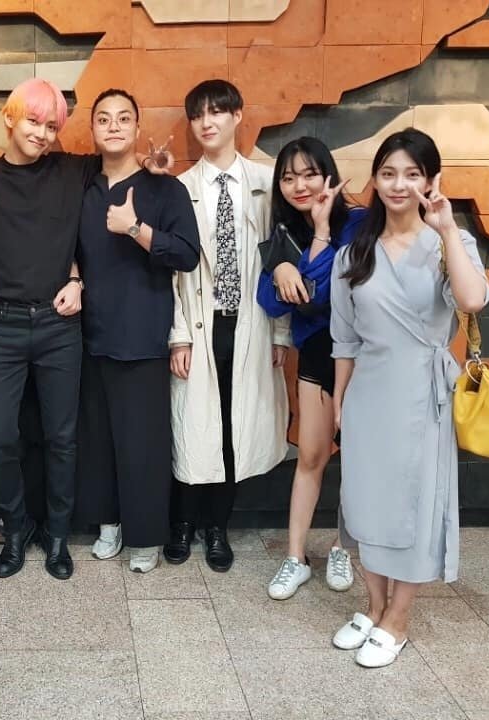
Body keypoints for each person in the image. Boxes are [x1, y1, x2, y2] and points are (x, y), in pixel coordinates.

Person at [0, 79, 171, 581]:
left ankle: (58, 535)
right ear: (10, 118)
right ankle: (16, 527)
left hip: (59, 324)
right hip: (0, 324)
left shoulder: (74, 170)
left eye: (51, 125)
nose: (42, 134)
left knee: (63, 437)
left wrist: (154, 169)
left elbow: (120, 165)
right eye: (33, 121)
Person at [329, 128, 489, 668]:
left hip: (422, 394)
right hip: (367, 394)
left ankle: (398, 618)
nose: (399, 185)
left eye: (412, 174)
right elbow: (344, 340)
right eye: (389, 173)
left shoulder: (450, 244)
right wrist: (339, 402)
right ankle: (374, 606)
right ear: (375, 180)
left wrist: (446, 229)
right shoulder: (353, 253)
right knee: (366, 501)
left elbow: (472, 299)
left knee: (414, 506)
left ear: (430, 180)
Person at [166, 80, 290, 573]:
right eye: (198, 115)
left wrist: (280, 333)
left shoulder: (267, 182)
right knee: (194, 426)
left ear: (238, 115)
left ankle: (218, 526)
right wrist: (177, 334)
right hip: (201, 324)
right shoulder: (180, 188)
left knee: (234, 426)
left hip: (251, 324)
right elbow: (172, 273)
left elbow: (281, 262)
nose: (207, 122)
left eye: (217, 111)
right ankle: (182, 522)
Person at [74, 89, 200, 573]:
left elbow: (186, 254)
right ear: (92, 128)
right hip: (86, 333)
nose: (114, 126)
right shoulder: (81, 185)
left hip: (143, 330)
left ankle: (146, 536)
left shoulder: (164, 189)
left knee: (143, 442)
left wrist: (134, 228)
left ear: (137, 127)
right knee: (97, 437)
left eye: (124, 118)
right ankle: (108, 523)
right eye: (104, 119)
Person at [255, 137, 365, 599]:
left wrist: (316, 238)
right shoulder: (282, 235)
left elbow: (328, 289)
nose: (299, 185)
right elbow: (271, 301)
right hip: (317, 356)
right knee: (311, 457)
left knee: (359, 460)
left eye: (309, 175)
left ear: (328, 176)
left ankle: (343, 547)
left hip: (364, 359)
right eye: (288, 177)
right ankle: (295, 557)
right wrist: (282, 269)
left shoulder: (359, 223)